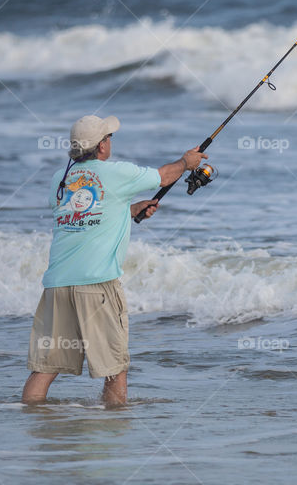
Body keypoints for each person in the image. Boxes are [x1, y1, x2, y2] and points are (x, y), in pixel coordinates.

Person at [21, 114, 206, 405]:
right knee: (115, 369)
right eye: (108, 137)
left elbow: (83, 213)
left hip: (57, 284)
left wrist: (129, 211)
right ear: (101, 147)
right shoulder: (117, 173)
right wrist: (186, 163)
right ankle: (114, 433)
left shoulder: (61, 178)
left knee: (44, 368)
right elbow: (164, 177)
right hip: (97, 285)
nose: (110, 142)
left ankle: (30, 420)